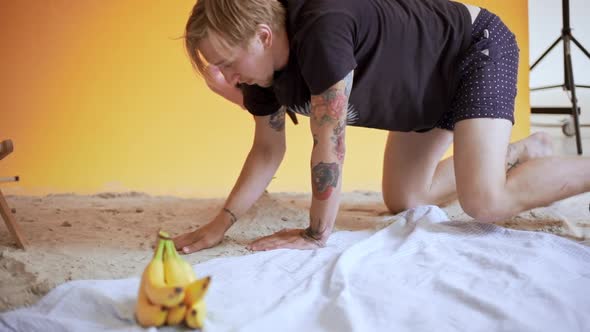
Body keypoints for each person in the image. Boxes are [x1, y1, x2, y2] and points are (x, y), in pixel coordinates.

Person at [173, 0, 590, 254]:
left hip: (472, 48)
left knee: (485, 202)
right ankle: (521, 152)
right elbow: (267, 150)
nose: (225, 77)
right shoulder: (262, 74)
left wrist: (316, 234)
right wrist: (219, 226)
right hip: (424, 90)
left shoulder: (321, 29)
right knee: (406, 200)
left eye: (226, 63)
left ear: (262, 36)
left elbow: (330, 144)